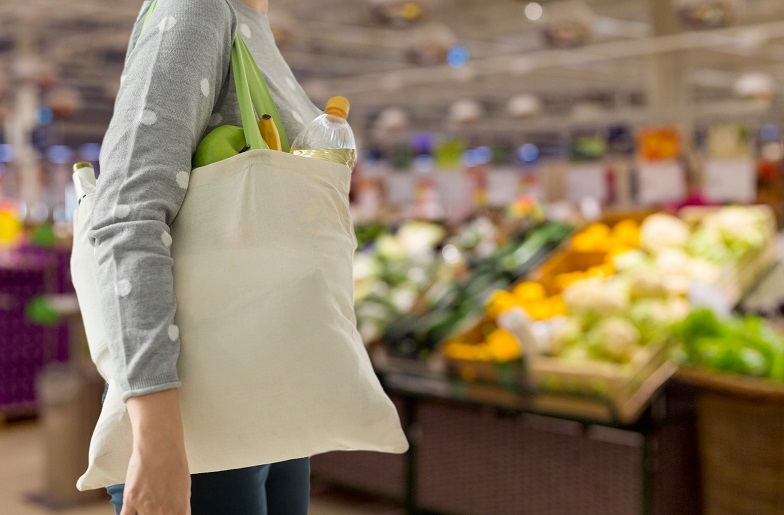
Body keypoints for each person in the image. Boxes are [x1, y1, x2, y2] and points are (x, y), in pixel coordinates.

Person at [89, 0, 320, 513]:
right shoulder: (198, 8)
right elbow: (128, 215)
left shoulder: (249, 22)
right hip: (200, 414)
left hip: (270, 392)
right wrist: (158, 444)